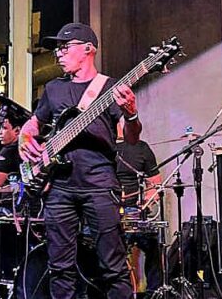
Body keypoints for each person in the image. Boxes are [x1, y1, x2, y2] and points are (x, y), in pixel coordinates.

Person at [19, 22, 141, 299]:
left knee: (113, 266)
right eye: (57, 49)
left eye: (65, 47)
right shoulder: (53, 89)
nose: (58, 53)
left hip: (99, 184)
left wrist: (131, 113)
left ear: (88, 49)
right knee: (59, 268)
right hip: (59, 187)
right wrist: (25, 140)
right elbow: (33, 124)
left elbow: (132, 138)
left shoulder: (109, 87)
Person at [115, 122, 163, 295]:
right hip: (109, 210)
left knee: (152, 245)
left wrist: (146, 203)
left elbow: (155, 184)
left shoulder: (141, 148)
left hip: (132, 211)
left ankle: (153, 292)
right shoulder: (102, 150)